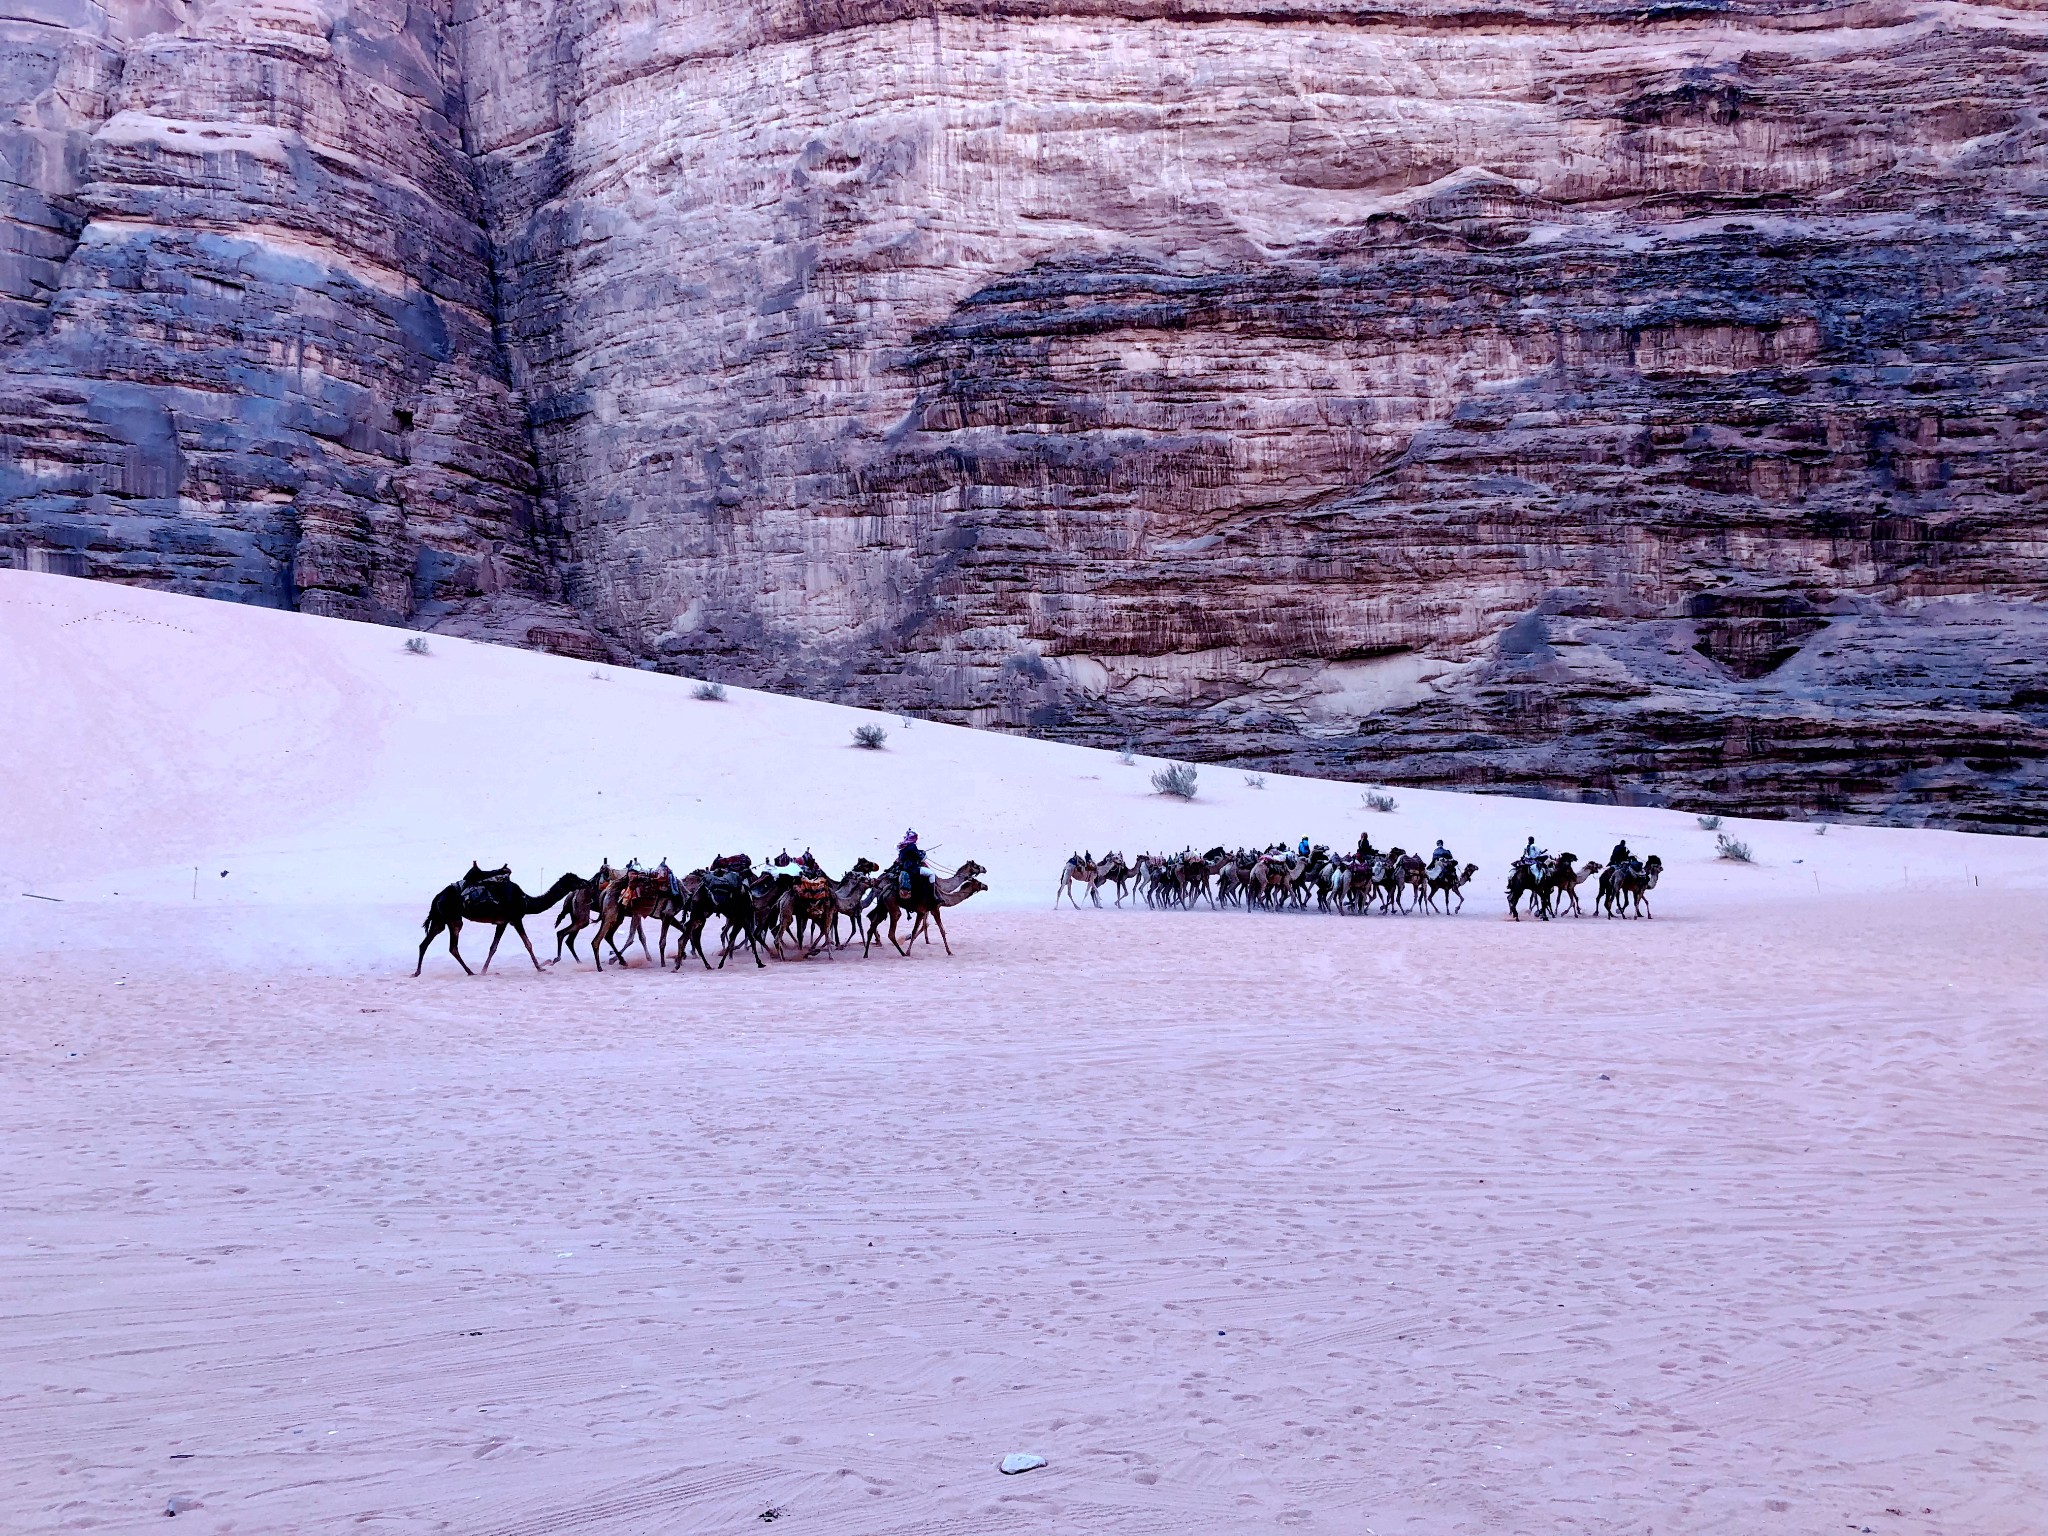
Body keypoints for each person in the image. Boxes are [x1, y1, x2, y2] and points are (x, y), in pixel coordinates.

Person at [896, 829, 931, 903]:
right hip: (912, 868)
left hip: (904, 868)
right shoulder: (912, 846)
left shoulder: (902, 846)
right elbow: (921, 858)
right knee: (931, 874)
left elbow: (903, 857)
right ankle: (933, 897)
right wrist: (923, 854)